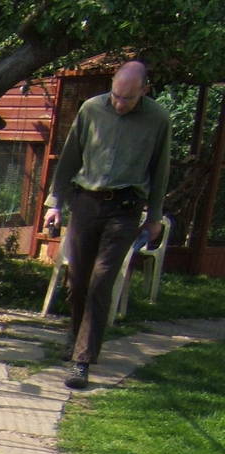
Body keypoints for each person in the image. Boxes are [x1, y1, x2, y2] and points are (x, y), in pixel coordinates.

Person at [42, 60, 171, 389]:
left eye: (127, 98)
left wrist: (154, 217)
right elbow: (70, 156)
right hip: (86, 203)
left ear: (145, 90)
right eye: (115, 95)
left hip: (125, 209)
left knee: (102, 281)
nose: (119, 103)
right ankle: (74, 337)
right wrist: (55, 204)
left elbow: (160, 171)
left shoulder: (158, 119)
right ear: (112, 85)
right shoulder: (90, 109)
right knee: (79, 281)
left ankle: (82, 360)